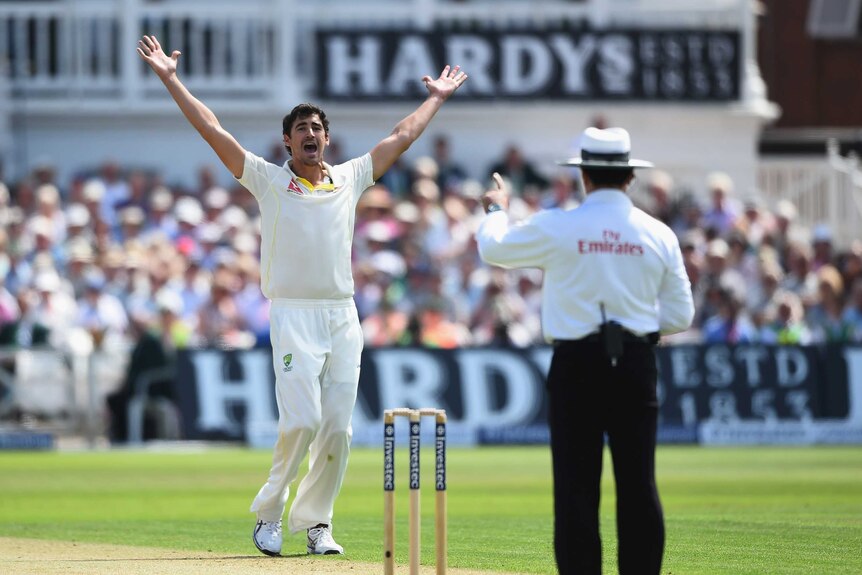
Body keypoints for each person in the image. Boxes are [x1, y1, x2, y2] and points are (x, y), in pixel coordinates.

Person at [136, 35, 467, 557]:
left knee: (338, 428)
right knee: (303, 422)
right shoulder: (267, 181)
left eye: (317, 128)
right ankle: (269, 514)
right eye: (301, 130)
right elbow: (212, 130)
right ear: (287, 143)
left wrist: (437, 98)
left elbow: (402, 136)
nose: (310, 134)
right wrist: (172, 79)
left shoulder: (351, 178)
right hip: (292, 314)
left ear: (327, 140)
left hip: (342, 314)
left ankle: (317, 523)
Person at [475, 127, 694, 575]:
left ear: (584, 177)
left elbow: (493, 248)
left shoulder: (561, 224)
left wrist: (498, 208)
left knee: (576, 488)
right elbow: (680, 315)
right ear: (630, 177)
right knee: (638, 484)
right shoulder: (658, 233)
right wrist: (630, 327)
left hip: (576, 364)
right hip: (635, 363)